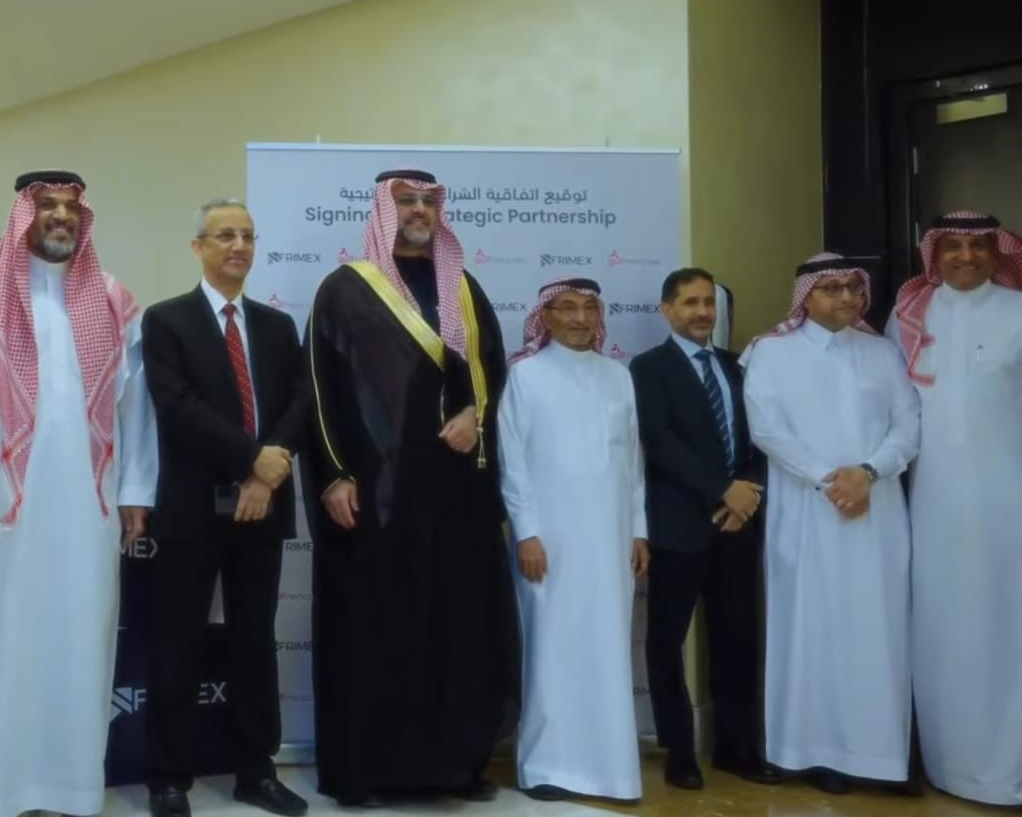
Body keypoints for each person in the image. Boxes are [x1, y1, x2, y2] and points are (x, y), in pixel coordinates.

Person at [0, 170, 158, 817]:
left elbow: (137, 409)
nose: (60, 216)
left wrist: (137, 490)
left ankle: (67, 787)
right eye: (47, 205)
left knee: (78, 639)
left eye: (70, 206)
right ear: (23, 215)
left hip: (88, 506)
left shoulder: (112, 300)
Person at [302, 168, 518, 807]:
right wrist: (334, 474)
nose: (419, 210)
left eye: (428, 201)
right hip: (375, 495)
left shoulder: (464, 288)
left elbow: (490, 371)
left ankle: (456, 765)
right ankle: (366, 773)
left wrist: (474, 414)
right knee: (376, 628)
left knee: (458, 626)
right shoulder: (343, 289)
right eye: (406, 201)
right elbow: (318, 388)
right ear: (382, 209)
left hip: (454, 493)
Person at [889, 212, 1022, 817]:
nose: (965, 257)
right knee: (947, 635)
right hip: (935, 510)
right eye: (952, 247)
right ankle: (953, 767)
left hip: (1021, 510)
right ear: (935, 254)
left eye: (978, 246)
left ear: (998, 253)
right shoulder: (909, 316)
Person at [140, 199, 310, 817]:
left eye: (247, 235)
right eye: (225, 235)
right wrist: (251, 461)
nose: (239, 246)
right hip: (191, 509)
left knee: (254, 643)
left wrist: (267, 473)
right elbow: (177, 406)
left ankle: (255, 772)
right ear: (199, 247)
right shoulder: (166, 320)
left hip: (262, 506)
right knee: (177, 643)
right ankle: (168, 778)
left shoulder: (276, 325)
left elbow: (299, 401)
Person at [741, 252, 919, 795]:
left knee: (878, 629)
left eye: (853, 288)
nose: (845, 297)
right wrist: (830, 480)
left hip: (877, 510)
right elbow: (767, 430)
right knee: (812, 628)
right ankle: (816, 754)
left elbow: (908, 423)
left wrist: (868, 472)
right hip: (807, 513)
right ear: (806, 297)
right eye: (831, 288)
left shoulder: (882, 352)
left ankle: (882, 758)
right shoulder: (771, 353)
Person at [498, 277, 648, 804]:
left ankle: (612, 772)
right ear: (547, 317)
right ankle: (547, 766)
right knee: (552, 650)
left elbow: (632, 462)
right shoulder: (526, 376)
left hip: (611, 543)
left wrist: (638, 529)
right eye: (568, 308)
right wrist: (527, 532)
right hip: (549, 544)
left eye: (589, 309)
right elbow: (513, 464)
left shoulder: (618, 376)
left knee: (607, 650)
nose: (580, 319)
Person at [628, 267, 776, 790]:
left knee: (737, 637)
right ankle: (678, 750)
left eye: (709, 302)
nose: (702, 312)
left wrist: (747, 493)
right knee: (667, 641)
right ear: (667, 310)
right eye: (690, 303)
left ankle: (736, 747)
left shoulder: (737, 367)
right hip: (678, 527)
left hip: (738, 525)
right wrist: (721, 490)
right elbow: (660, 442)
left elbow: (762, 436)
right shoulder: (648, 368)